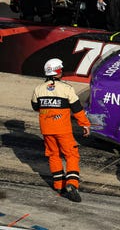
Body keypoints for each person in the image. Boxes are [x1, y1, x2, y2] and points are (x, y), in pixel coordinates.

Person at [31, 58, 91, 202]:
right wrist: (85, 124)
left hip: (46, 129)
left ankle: (58, 185)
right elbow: (77, 109)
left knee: (53, 155)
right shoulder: (66, 88)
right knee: (71, 155)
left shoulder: (38, 89)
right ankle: (71, 184)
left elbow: (35, 107)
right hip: (62, 130)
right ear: (58, 71)